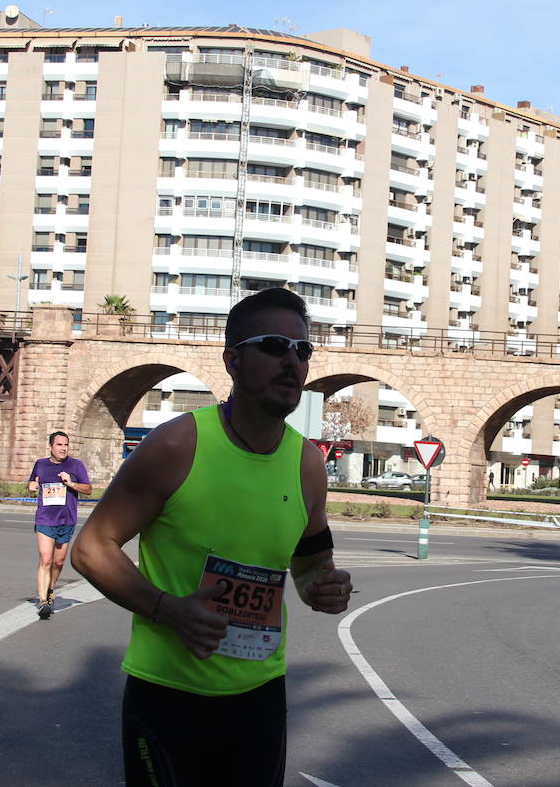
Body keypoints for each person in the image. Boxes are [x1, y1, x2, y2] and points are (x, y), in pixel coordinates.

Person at [72, 288, 352, 786]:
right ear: (233, 360)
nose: (291, 360)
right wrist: (166, 608)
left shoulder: (307, 463)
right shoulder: (178, 444)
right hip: (168, 695)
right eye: (272, 345)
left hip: (260, 697)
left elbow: (311, 566)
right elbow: (92, 548)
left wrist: (324, 588)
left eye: (302, 350)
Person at [26, 431, 92, 619]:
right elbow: (32, 482)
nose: (63, 448)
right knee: (45, 559)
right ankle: (42, 601)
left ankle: (50, 588)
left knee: (58, 561)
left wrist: (71, 483)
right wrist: (31, 486)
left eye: (66, 445)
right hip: (45, 519)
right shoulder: (41, 464)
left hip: (67, 519)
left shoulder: (76, 465)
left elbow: (88, 489)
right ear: (51, 446)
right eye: (59, 445)